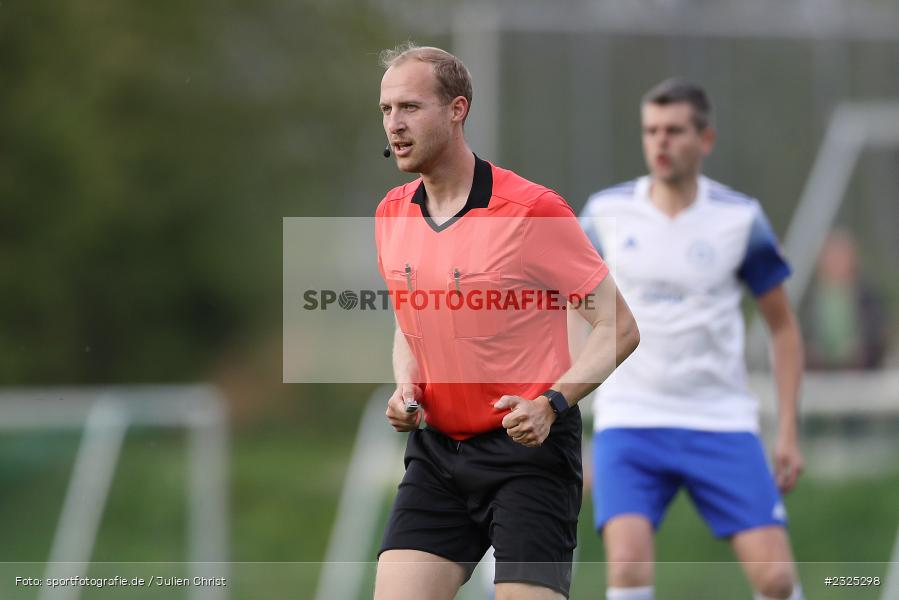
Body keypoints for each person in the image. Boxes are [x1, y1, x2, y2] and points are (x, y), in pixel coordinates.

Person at [373, 43, 640, 600]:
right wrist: (407, 386)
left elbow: (619, 326)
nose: (394, 125)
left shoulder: (531, 211)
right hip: (438, 454)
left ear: (457, 110)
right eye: (386, 110)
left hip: (528, 455)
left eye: (410, 108)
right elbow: (410, 318)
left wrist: (553, 403)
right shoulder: (392, 211)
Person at [577, 79, 805, 600]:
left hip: (719, 419)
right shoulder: (605, 214)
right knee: (629, 566)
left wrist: (788, 429)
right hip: (631, 420)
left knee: (777, 579)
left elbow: (783, 325)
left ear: (705, 140)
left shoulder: (739, 218)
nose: (660, 142)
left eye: (674, 130)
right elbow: (565, 302)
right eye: (651, 130)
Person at [803, 228, 889, 370]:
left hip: (861, 373)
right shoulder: (810, 297)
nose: (836, 261)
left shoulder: (867, 295)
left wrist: (861, 348)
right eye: (832, 256)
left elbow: (879, 330)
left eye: (841, 255)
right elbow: (799, 332)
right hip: (819, 375)